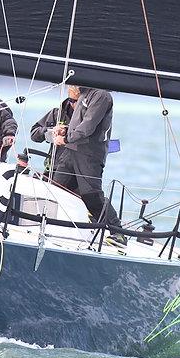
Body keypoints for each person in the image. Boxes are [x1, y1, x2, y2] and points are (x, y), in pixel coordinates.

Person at [51, 86, 126, 246]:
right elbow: (78, 123)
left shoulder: (101, 95)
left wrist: (66, 139)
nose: (70, 87)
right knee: (56, 189)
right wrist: (66, 131)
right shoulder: (83, 94)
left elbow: (88, 125)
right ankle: (53, 226)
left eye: (72, 84)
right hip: (71, 151)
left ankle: (117, 233)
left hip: (89, 153)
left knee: (91, 194)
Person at [30, 88, 77, 182]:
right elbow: (34, 134)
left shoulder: (89, 117)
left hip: (78, 171)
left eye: (77, 101)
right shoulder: (56, 114)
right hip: (54, 168)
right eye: (71, 100)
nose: (74, 104)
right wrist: (51, 132)